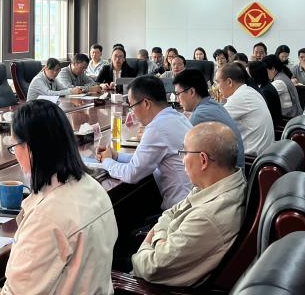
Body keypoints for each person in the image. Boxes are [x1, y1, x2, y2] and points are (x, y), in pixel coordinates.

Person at [1, 99, 118, 294]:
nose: (15, 155)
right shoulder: (93, 187)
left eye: (14, 146)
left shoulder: (46, 218)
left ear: (30, 149)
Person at [130, 123, 246, 287]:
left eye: (184, 153)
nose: (182, 160)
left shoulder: (206, 217)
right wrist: (161, 237)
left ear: (203, 160)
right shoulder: (218, 184)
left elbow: (151, 268)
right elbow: (170, 213)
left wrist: (153, 238)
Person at [93, 76, 192, 210]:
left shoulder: (157, 128)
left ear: (146, 103)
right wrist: (117, 156)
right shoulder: (177, 117)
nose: (132, 113)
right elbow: (144, 160)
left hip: (180, 211)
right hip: (190, 202)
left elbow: (132, 173)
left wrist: (107, 161)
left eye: (132, 106)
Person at [173, 69, 244, 160]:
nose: (177, 100)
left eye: (178, 94)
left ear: (192, 92)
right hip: (235, 166)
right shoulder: (213, 105)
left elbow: (184, 151)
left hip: (228, 168)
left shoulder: (200, 115)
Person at [215, 63, 273, 156]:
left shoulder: (240, 97)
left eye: (218, 82)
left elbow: (213, 121)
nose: (217, 87)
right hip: (264, 153)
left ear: (229, 82)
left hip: (251, 158)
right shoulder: (249, 91)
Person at [247, 61, 283, 129]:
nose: (248, 78)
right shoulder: (265, 85)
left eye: (249, 75)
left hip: (272, 127)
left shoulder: (265, 91)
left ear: (255, 75)